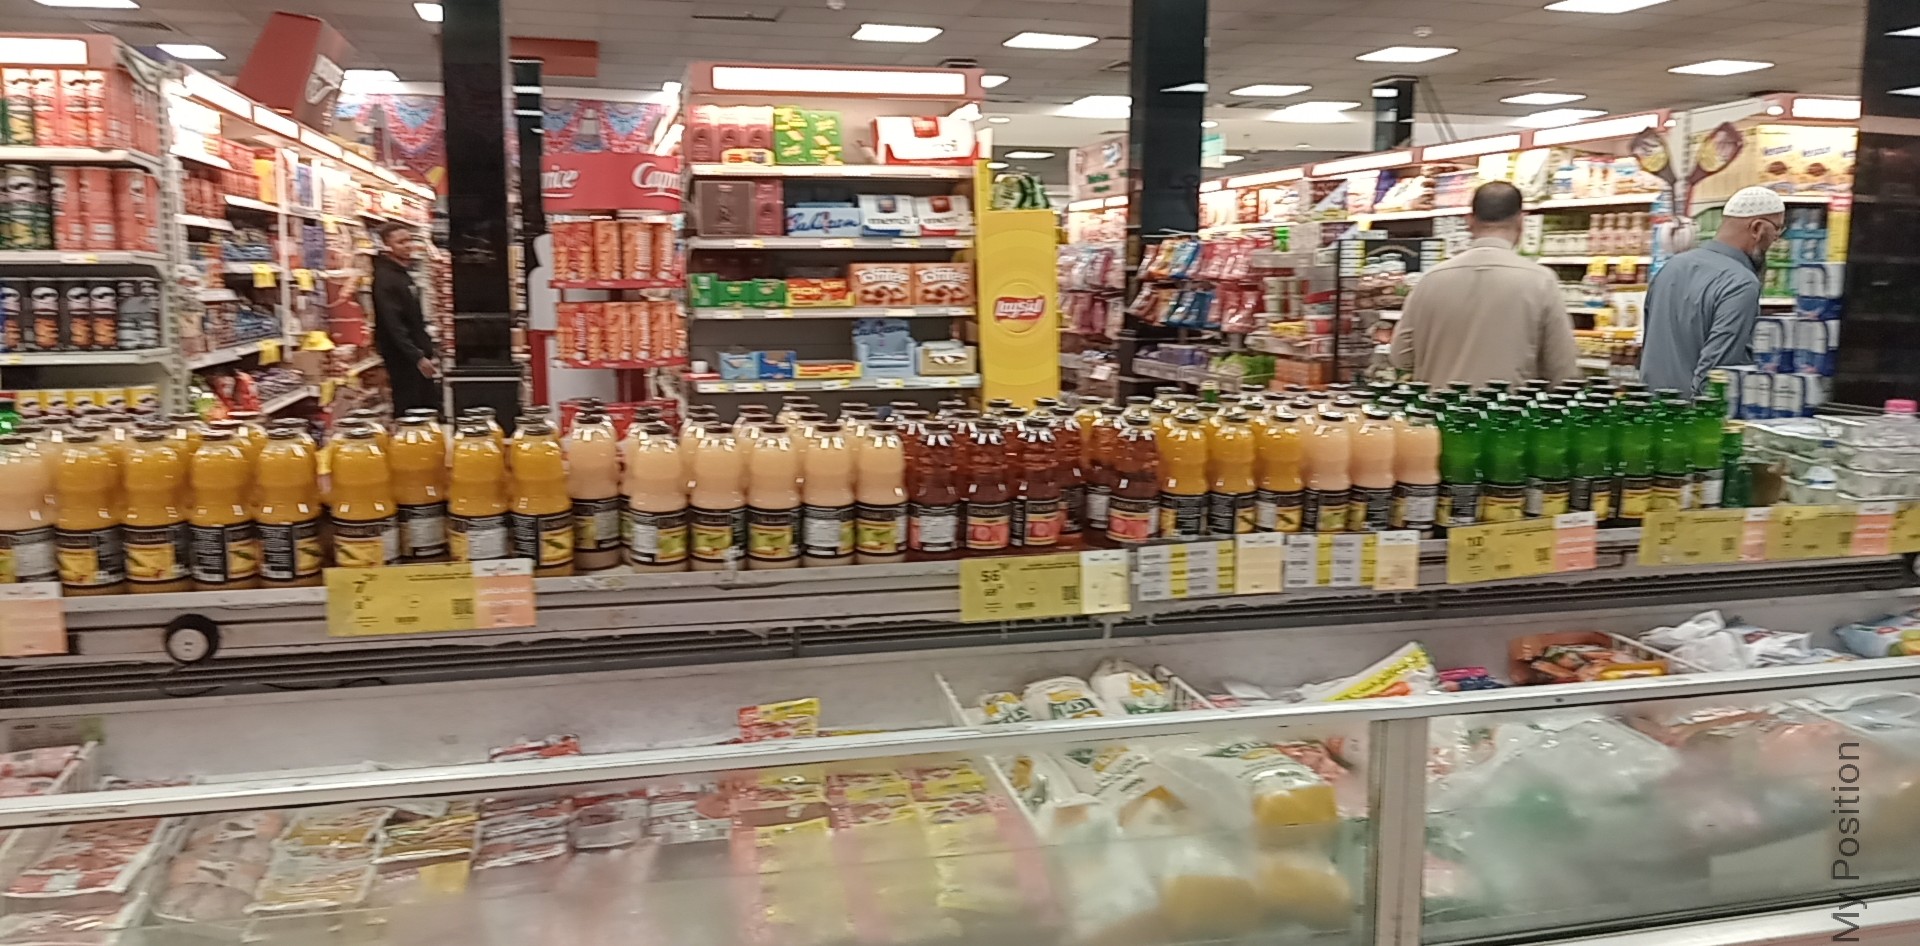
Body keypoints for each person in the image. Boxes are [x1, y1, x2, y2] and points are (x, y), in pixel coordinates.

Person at [1389, 181, 1579, 387]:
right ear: (1522, 221)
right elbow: (1562, 367)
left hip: (1437, 404)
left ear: (1469, 221)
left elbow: (1401, 356)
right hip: (1508, 406)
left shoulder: (1430, 279)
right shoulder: (1541, 281)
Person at [1639, 186, 1786, 395]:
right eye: (1777, 229)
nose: (1777, 238)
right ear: (1757, 228)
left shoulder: (1670, 267)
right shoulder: (1741, 284)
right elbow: (1715, 374)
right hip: (1692, 413)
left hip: (1650, 407)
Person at [371, 221, 440, 413]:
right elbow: (393, 324)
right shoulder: (385, 279)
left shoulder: (401, 274)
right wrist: (417, 356)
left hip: (415, 355)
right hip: (404, 359)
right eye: (401, 242)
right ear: (386, 246)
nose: (408, 246)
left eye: (409, 240)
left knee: (426, 407)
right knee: (410, 409)